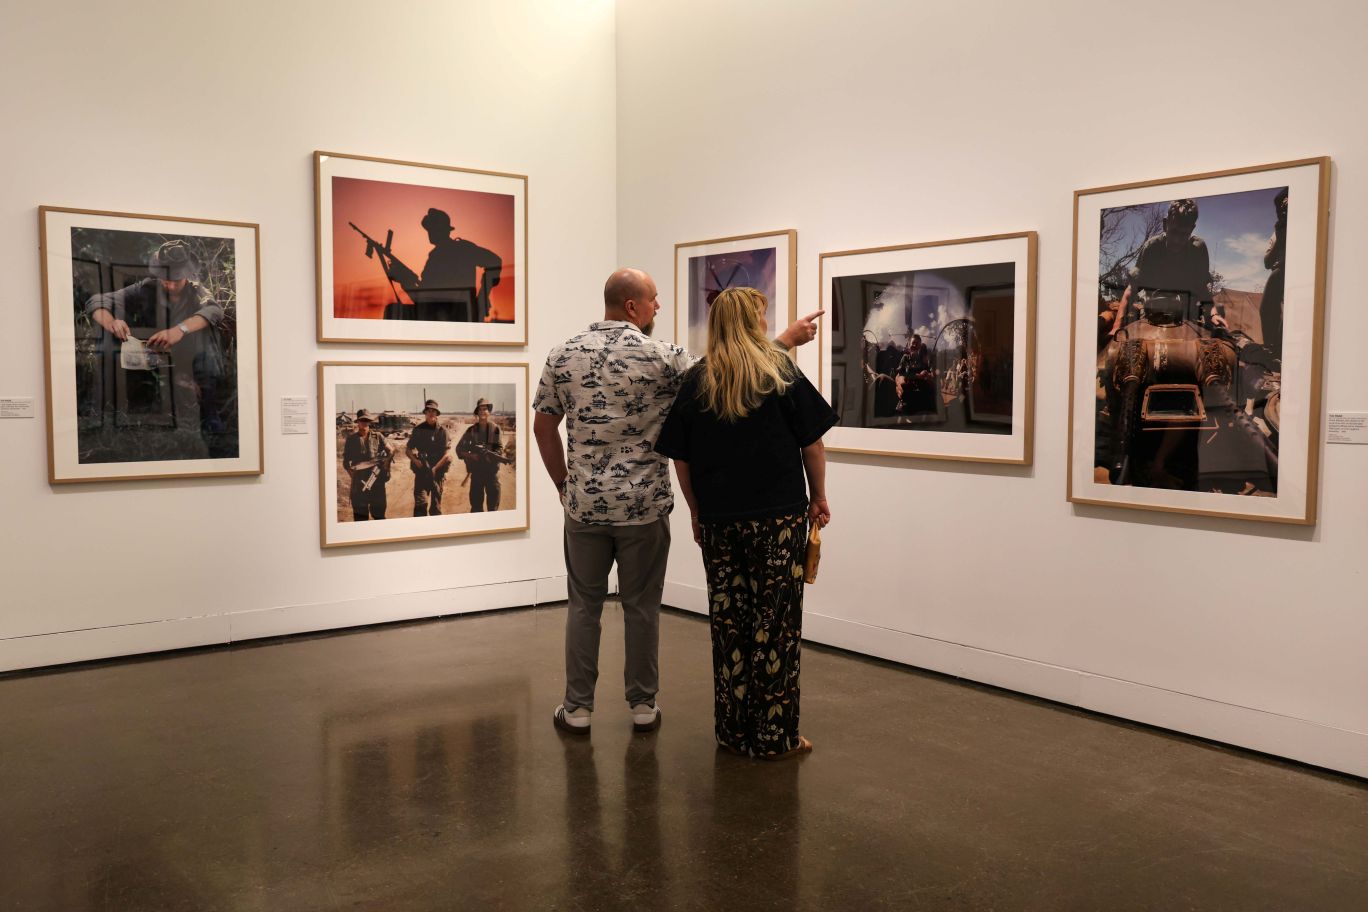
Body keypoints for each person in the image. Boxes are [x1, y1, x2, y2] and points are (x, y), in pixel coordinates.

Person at [533, 267, 821, 736]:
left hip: (584, 507)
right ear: (633, 307)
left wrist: (563, 486)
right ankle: (643, 705)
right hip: (645, 507)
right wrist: (784, 340)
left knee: (583, 606)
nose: (658, 308)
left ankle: (578, 709)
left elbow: (543, 428)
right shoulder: (663, 356)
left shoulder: (562, 355)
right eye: (654, 300)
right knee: (642, 606)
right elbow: (729, 368)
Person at [654, 286, 837, 760]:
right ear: (754, 321)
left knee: (729, 624)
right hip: (777, 520)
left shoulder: (698, 381)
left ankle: (733, 733)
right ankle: (775, 737)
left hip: (720, 522)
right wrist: (818, 496)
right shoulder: (778, 372)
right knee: (774, 626)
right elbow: (812, 444)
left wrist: (696, 511)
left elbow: (682, 460)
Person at [84, 239, 230, 458]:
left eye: (175, 280)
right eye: (165, 279)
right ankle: (113, 412)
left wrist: (179, 330)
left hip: (191, 357)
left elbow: (214, 311)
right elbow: (97, 301)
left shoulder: (197, 290)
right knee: (109, 339)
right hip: (157, 357)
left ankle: (210, 415)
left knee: (208, 335)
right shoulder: (147, 287)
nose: (170, 285)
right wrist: (112, 322)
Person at [1111, 199, 1217, 334]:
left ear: (1192, 229)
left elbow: (1203, 290)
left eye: (1184, 234)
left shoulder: (1198, 249)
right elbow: (1131, 290)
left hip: (1188, 319)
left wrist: (1214, 315)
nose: (1177, 240)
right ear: (1165, 224)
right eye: (1174, 231)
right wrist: (1116, 327)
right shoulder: (1151, 248)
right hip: (1152, 317)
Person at [385, 207, 502, 323]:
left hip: (448, 317)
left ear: (442, 230)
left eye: (432, 228)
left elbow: (423, 301)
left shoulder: (455, 251)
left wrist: (482, 298)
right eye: (429, 229)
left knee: (392, 311)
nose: (429, 232)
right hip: (453, 315)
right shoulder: (460, 249)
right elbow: (424, 298)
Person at [342, 409, 391, 521]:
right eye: (362, 420)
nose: (364, 423)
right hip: (359, 484)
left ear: (369, 422)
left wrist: (386, 465)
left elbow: (391, 451)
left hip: (377, 482)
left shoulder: (378, 436)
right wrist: (352, 475)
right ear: (358, 422)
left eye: (366, 420)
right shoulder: (351, 440)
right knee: (360, 518)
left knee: (379, 517)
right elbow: (345, 462)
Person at [456, 398, 504, 512]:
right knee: (476, 508)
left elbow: (500, 448)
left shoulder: (495, 429)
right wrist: (472, 456)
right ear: (477, 412)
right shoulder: (471, 430)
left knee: (493, 508)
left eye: (485, 409)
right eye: (480, 409)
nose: (483, 411)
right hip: (477, 473)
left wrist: (491, 455)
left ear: (489, 412)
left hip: (492, 473)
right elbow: (459, 449)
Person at [407, 399, 451, 517]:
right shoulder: (418, 430)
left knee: (436, 509)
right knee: (420, 505)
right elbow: (408, 450)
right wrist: (415, 461)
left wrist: (435, 468)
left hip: (437, 472)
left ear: (437, 413)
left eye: (434, 411)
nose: (431, 413)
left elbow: (446, 455)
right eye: (429, 411)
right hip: (422, 473)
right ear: (425, 413)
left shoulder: (443, 431)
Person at [1260, 187, 1289, 359]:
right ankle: (1271, 349)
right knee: (1266, 308)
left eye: (1286, 207)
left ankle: (1279, 349)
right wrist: (1280, 236)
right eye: (1280, 208)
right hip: (1279, 271)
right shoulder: (1276, 233)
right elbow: (1266, 263)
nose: (1283, 211)